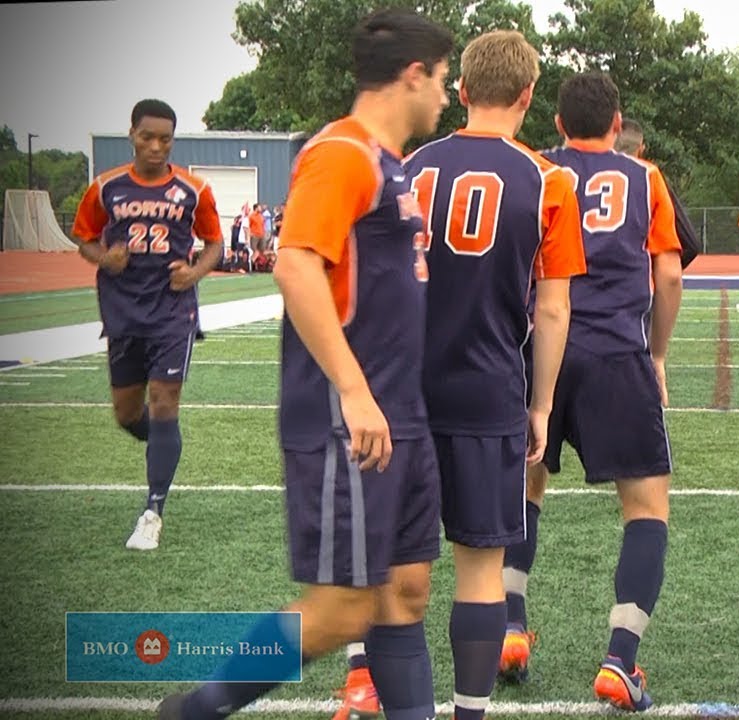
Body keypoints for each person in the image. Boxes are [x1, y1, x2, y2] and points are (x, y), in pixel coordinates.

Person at [157, 10, 454, 719]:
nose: (446, 97)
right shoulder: (342, 152)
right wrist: (353, 390)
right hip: (345, 417)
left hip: (400, 416)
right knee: (341, 613)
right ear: (412, 75)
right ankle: (197, 709)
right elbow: (294, 265)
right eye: (442, 80)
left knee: (405, 591)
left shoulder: (390, 164)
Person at [401, 29, 585, 720]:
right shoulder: (547, 179)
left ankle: (384, 696)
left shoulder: (411, 166)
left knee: (399, 567)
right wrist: (541, 406)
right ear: (529, 96)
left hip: (405, 391)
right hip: (488, 390)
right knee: (479, 570)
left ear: (463, 91)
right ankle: (469, 710)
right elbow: (555, 306)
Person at [497, 71, 683, 711]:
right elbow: (670, 273)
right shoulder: (645, 178)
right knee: (646, 509)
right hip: (615, 353)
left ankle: (510, 626)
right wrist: (656, 353)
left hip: (537, 347)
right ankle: (620, 660)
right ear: (617, 121)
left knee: (524, 487)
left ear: (555, 123)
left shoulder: (531, 170)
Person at [71, 98, 224, 551]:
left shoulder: (194, 190)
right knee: (127, 413)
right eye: (147, 137)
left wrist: (194, 272)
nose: (156, 147)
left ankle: (153, 510)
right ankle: (163, 445)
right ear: (132, 135)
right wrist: (105, 257)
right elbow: (83, 237)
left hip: (173, 310)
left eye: (165, 139)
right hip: (122, 310)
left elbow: (214, 243)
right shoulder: (106, 187)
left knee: (164, 401)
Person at [615, 118, 701, 269]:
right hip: (634, 280)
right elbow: (691, 244)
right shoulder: (649, 176)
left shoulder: (584, 173)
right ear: (641, 149)